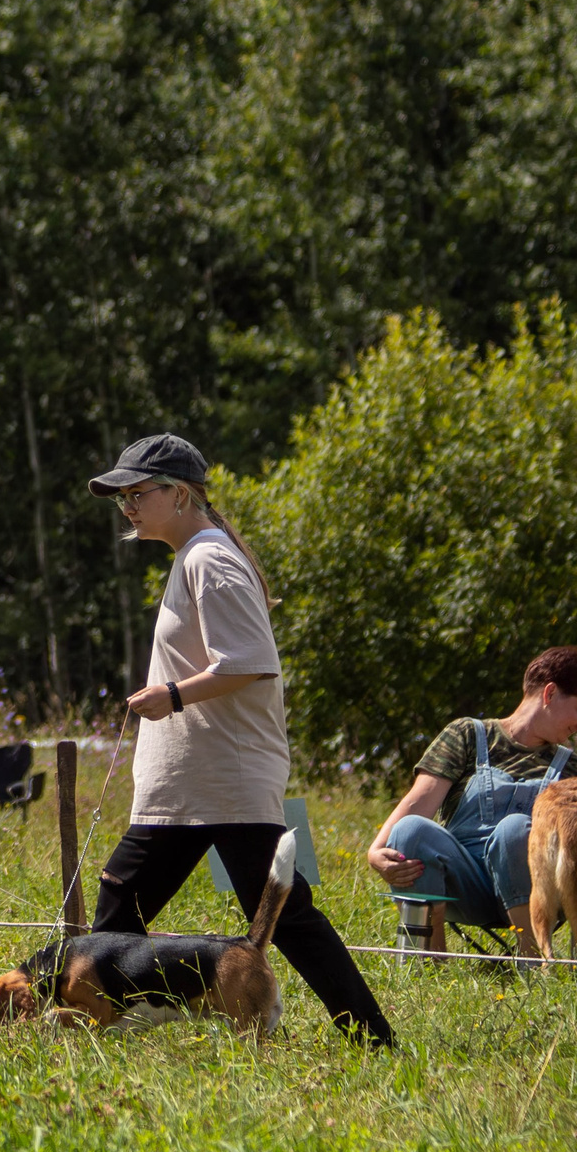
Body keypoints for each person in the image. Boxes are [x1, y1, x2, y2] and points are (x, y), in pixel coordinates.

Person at [86, 432, 395, 1045]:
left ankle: (90, 1025)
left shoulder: (208, 558)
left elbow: (250, 661)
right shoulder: (197, 556)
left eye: (136, 492)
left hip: (215, 782)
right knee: (139, 907)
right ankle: (370, 1037)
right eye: (120, 495)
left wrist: (168, 695)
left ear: (179, 494)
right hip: (201, 785)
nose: (126, 505)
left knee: (126, 909)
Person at [364, 647, 577, 953]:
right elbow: (420, 800)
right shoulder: (466, 735)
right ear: (550, 693)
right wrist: (376, 851)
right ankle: (429, 964)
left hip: (538, 891)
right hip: (467, 885)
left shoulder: (572, 768)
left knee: (514, 829)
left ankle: (532, 960)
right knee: (411, 829)